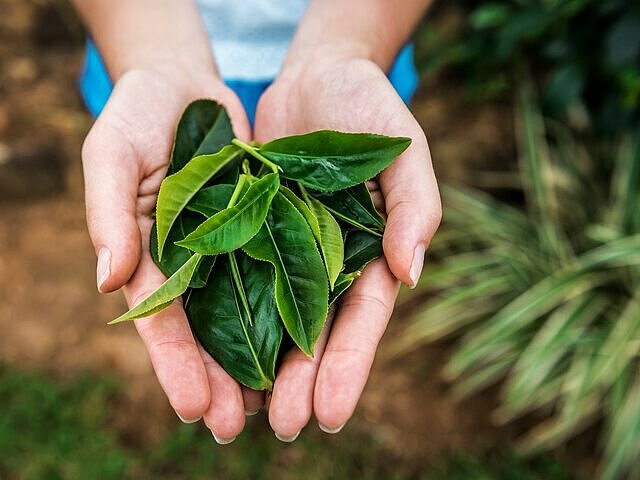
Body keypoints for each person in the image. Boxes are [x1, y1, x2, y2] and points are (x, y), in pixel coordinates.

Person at [72, 0, 442, 444]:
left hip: (349, 53)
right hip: (144, 43)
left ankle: (267, 375)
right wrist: (153, 56)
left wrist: (346, 45)